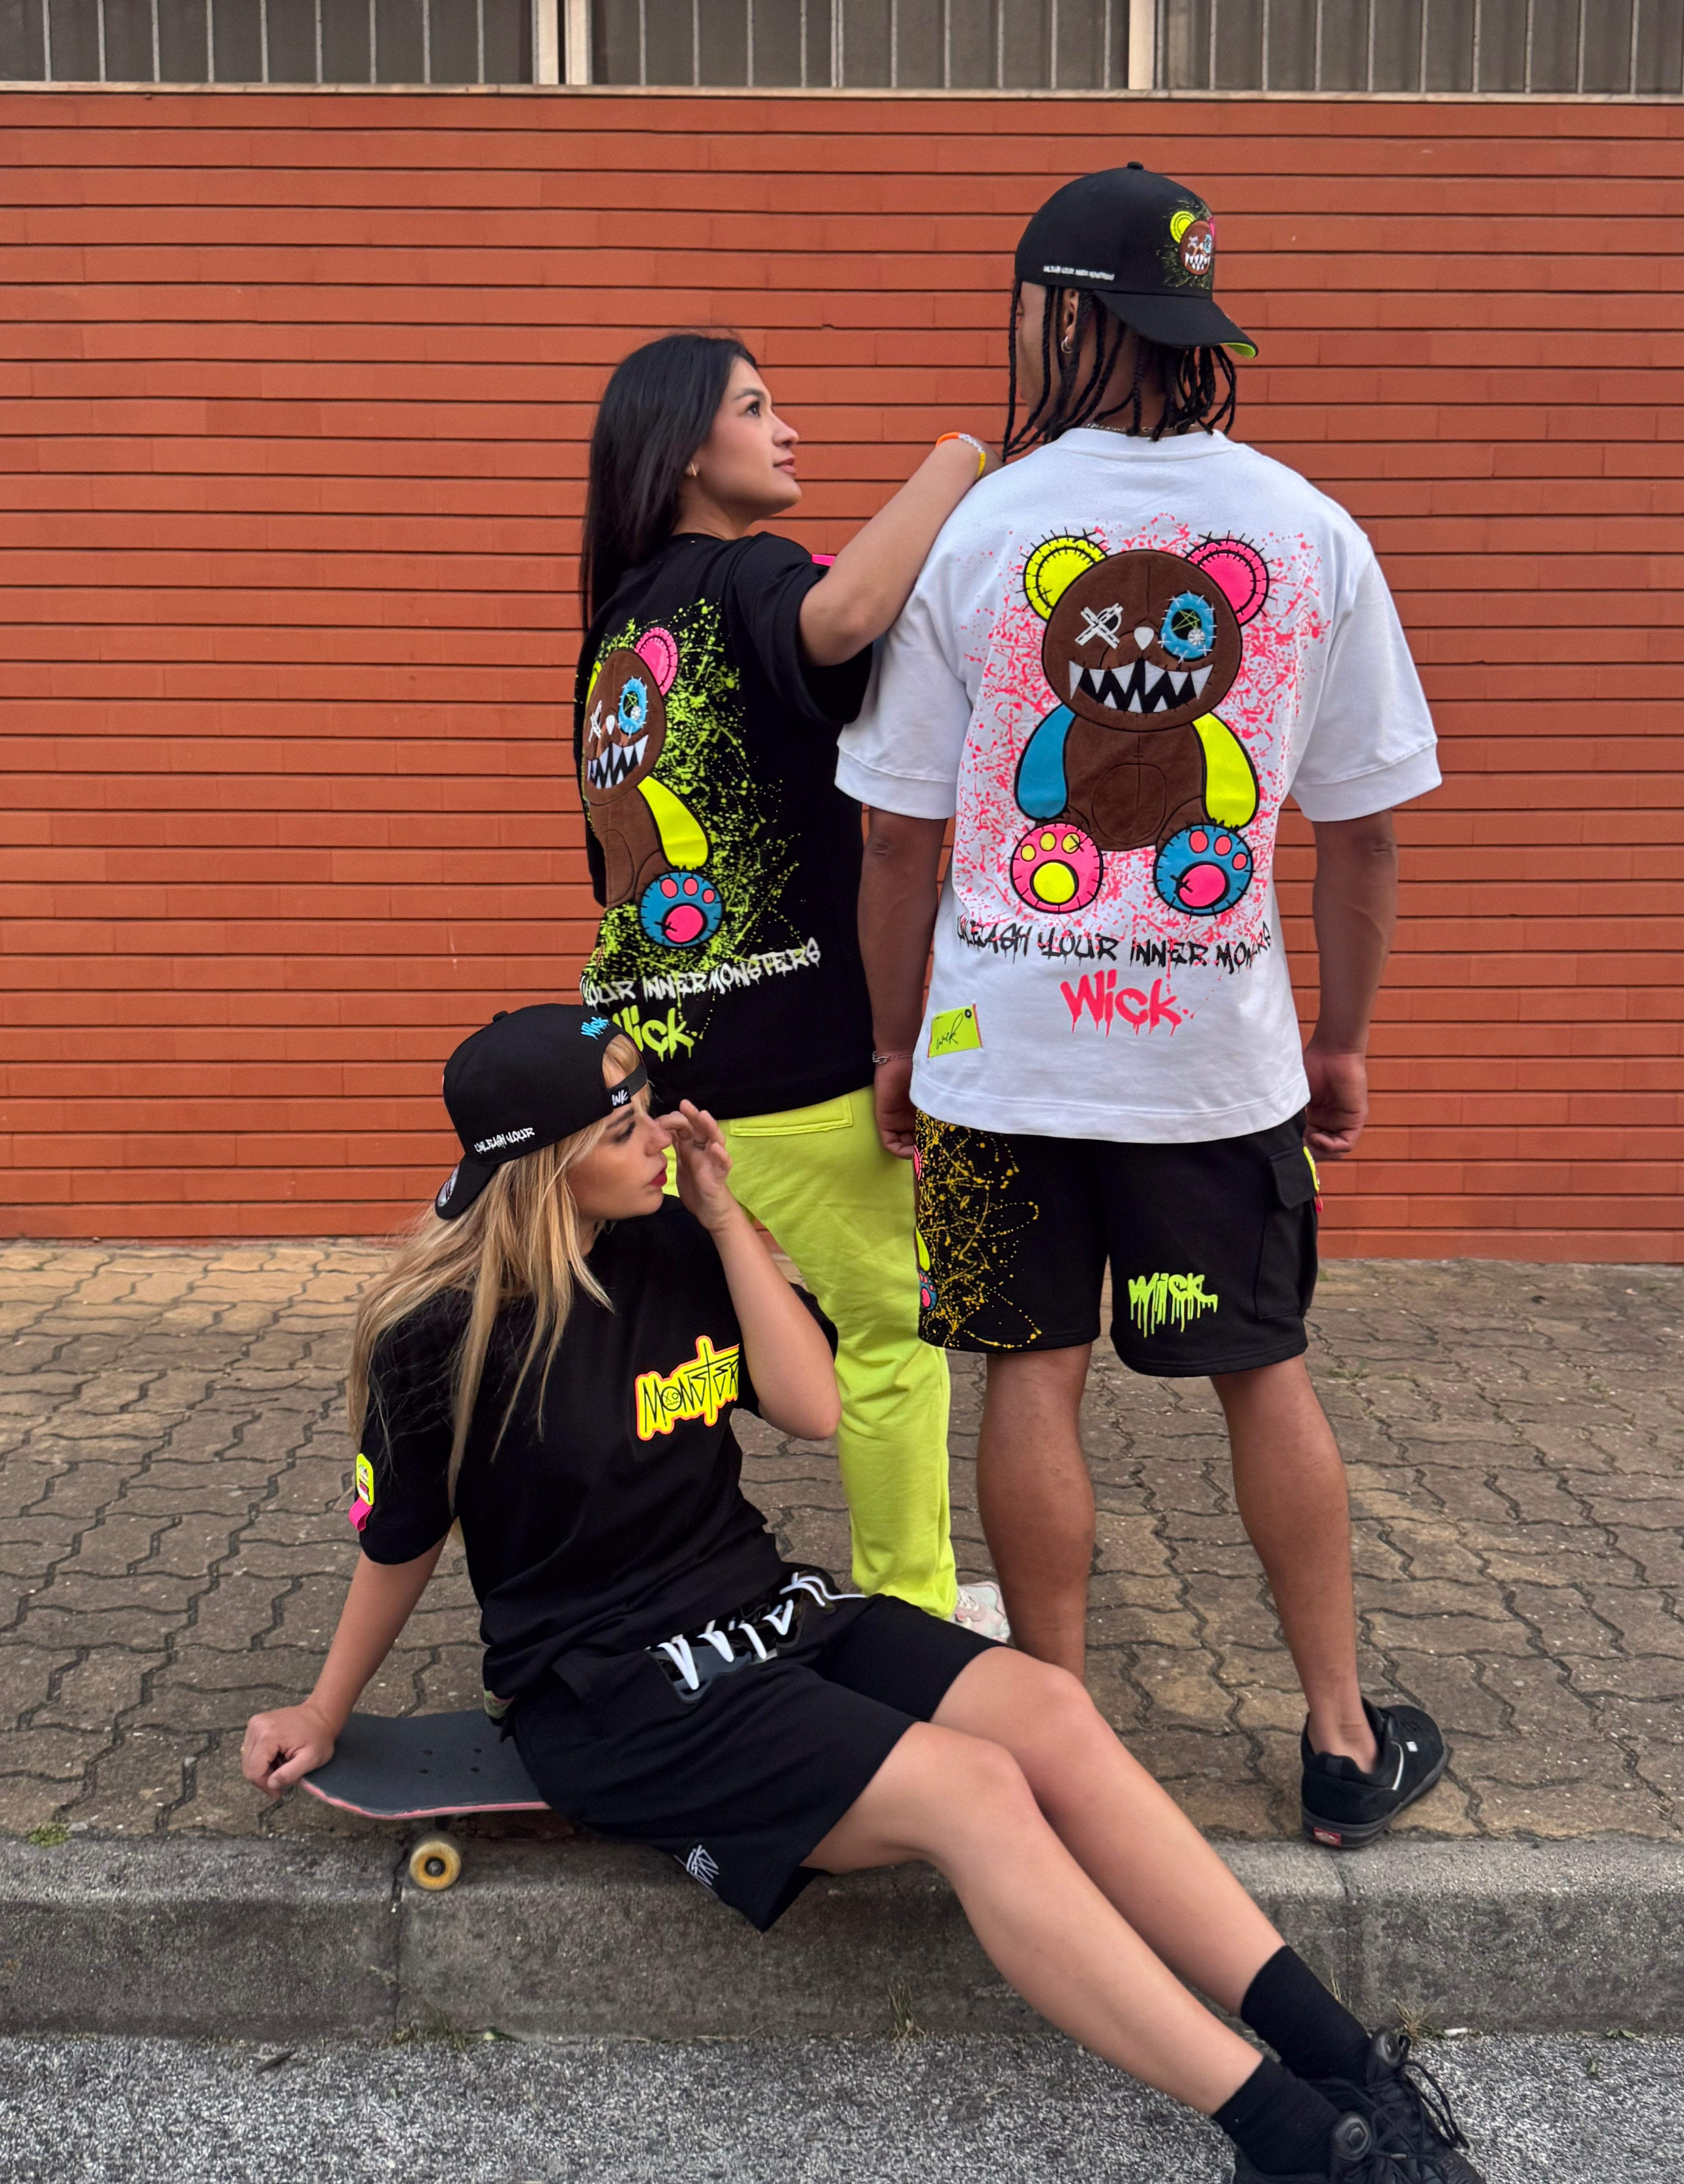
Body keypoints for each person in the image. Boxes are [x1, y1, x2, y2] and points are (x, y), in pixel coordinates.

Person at [241, 1005, 1485, 2184]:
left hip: (767, 1611)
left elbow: (811, 1407)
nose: (660, 1134)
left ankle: (1342, 2059)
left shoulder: (672, 1241)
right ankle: (1291, 2137)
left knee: (1049, 1711)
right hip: (618, 1692)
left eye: (650, 1106)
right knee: (977, 1793)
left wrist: (727, 1221)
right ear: (544, 1167)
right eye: (623, 1128)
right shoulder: (438, 1335)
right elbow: (399, 1544)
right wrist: (323, 1706)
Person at [837, 164, 1448, 1850]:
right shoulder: (1309, 530)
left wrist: (894, 1040)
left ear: (1058, 315)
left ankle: (1059, 1749)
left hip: (997, 1063)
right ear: (1192, 328)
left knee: (1028, 1380)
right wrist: (1341, 1040)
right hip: (1214, 1074)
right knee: (1264, 1372)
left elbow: (895, 838)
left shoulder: (978, 530)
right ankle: (1340, 1741)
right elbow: (1361, 831)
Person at [572, 333, 1004, 1641]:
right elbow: (845, 617)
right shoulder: (747, 572)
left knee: (661, 1361)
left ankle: (643, 1607)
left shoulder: (623, 626)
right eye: (756, 409)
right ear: (683, 452)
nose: (787, 431)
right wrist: (960, 459)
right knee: (887, 1347)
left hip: (653, 1071)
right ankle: (912, 1620)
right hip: (800, 1062)